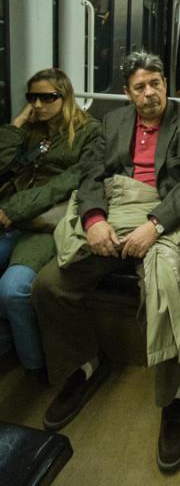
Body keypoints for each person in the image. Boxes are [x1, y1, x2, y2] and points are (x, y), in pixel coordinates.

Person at [32, 52, 180, 473]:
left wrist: (155, 225)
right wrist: (93, 220)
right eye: (140, 87)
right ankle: (86, 364)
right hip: (116, 212)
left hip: (169, 216)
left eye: (156, 84)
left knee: (162, 287)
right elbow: (91, 175)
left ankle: (173, 395)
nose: (150, 93)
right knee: (50, 285)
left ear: (165, 84)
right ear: (127, 93)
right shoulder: (113, 123)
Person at [0, 69, 99, 375]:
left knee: (13, 289)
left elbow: (70, 181)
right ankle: (5, 345)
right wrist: (16, 125)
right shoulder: (30, 130)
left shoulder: (90, 132)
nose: (39, 105)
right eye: (33, 98)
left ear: (65, 96)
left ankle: (33, 364)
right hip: (11, 216)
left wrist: (16, 207)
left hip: (46, 220)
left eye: (48, 97)